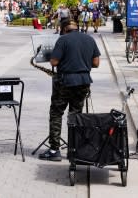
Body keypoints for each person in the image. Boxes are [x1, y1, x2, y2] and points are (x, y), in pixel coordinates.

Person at [39, 19, 100, 162]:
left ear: (64, 29)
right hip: (83, 82)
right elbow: (96, 63)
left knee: (56, 113)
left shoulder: (63, 40)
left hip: (65, 82)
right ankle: (75, 149)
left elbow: (54, 62)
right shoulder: (89, 39)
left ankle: (54, 149)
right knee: (76, 115)